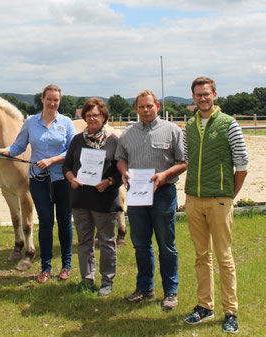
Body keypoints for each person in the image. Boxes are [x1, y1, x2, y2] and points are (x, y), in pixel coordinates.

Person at [0, 84, 76, 283]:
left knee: (64, 222)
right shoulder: (30, 123)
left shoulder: (66, 122)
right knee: (45, 223)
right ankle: (45, 267)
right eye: (49, 99)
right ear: (42, 99)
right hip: (39, 180)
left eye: (56, 100)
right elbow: (19, 146)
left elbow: (72, 151)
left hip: (62, 179)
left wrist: (52, 160)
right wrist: (3, 151)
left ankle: (66, 265)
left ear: (59, 101)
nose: (53, 103)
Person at [183, 77, 248, 334]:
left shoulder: (229, 124)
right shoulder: (188, 126)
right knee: (201, 256)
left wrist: (229, 194)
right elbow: (187, 159)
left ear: (214, 95)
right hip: (193, 199)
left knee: (224, 257)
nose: (202, 98)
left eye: (206, 94)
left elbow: (241, 164)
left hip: (220, 199)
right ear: (193, 97)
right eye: (198, 94)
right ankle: (204, 306)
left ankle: (230, 311)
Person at [115, 90, 186, 310]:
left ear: (157, 105)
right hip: (137, 196)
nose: (146, 110)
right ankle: (144, 288)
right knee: (140, 244)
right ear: (136, 109)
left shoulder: (172, 130)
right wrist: (124, 172)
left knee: (166, 244)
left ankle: (170, 292)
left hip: (163, 194)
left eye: (150, 106)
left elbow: (183, 162)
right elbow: (120, 158)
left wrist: (165, 175)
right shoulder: (128, 133)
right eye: (141, 107)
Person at [62, 97, 122, 297]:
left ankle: (107, 281)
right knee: (84, 241)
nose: (92, 118)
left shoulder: (114, 141)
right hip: (80, 199)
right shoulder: (77, 140)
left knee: (106, 241)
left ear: (104, 117)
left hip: (104, 200)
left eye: (95, 115)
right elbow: (67, 166)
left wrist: (109, 182)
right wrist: (71, 178)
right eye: (88, 115)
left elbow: (120, 172)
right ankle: (87, 278)